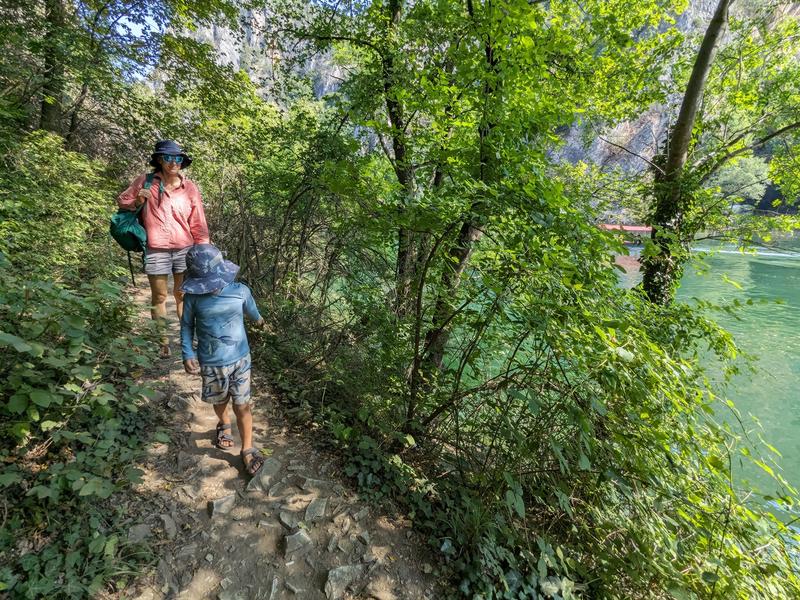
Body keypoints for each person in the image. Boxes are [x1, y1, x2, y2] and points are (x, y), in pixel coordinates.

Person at [179, 243, 266, 476]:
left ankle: (247, 449)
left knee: (242, 404)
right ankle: (224, 423)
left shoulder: (241, 291)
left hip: (241, 360)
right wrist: (187, 353)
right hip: (211, 362)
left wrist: (260, 321)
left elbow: (253, 312)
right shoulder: (193, 298)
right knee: (219, 400)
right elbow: (186, 326)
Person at [118, 140, 210, 358]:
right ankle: (162, 342)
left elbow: (198, 221)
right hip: (156, 247)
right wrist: (138, 199)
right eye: (168, 158)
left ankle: (187, 340)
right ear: (159, 160)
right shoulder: (146, 181)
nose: (173, 162)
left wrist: (203, 248)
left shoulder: (189, 188)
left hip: (184, 248)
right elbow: (122, 201)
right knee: (159, 296)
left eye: (177, 158)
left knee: (182, 296)